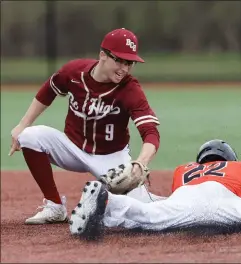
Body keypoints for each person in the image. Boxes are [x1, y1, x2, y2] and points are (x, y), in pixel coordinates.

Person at [9, 28, 164, 225]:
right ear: (102, 55)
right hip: (71, 148)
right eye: (119, 60)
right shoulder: (74, 72)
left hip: (110, 157)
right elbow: (49, 89)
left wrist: (141, 162)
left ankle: (178, 203)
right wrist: (22, 125)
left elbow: (150, 132)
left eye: (129, 63)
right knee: (29, 136)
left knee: (140, 215)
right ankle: (55, 207)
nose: (124, 68)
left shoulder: (130, 89)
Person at [69, 139, 241, 238]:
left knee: (148, 217)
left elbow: (178, 199)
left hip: (186, 195)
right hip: (223, 196)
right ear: (229, 157)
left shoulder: (183, 169)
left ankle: (108, 201)